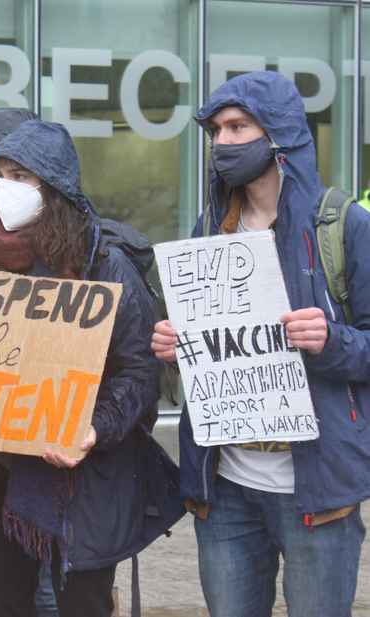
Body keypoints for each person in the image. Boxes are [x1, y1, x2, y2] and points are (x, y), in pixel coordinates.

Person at [0, 119, 182, 617]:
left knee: (81, 605)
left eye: (24, 176)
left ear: (55, 187)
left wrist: (93, 429)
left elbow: (139, 374)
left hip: (80, 479)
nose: (8, 186)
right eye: (2, 173)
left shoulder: (105, 263)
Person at [152, 71, 370, 617]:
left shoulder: (345, 228)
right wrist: (179, 346)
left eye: (236, 127)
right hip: (224, 491)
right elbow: (211, 357)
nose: (221, 143)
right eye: (215, 131)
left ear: (279, 135)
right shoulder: (209, 230)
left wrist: (331, 339)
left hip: (315, 493)